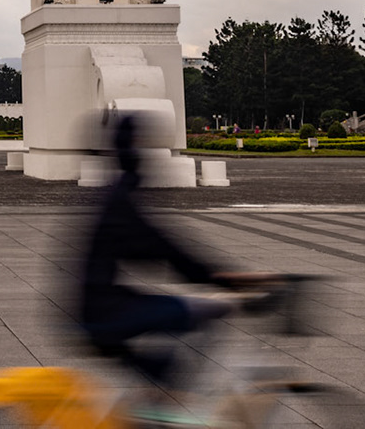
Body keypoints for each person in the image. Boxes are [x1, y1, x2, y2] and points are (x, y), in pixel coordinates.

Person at [77, 111, 265, 396]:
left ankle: (158, 403)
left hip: (98, 309)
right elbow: (167, 251)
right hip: (105, 312)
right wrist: (222, 278)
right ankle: (163, 402)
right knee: (207, 310)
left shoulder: (115, 196)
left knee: (163, 371)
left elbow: (159, 250)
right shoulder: (122, 203)